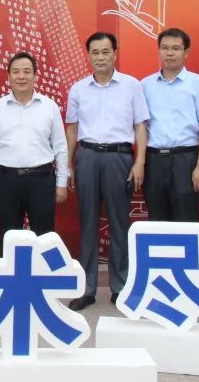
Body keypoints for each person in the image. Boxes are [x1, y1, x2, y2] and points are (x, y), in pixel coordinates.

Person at [65, 32, 149, 311]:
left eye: (105, 52)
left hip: (119, 157)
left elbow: (140, 126)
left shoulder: (131, 86)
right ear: (88, 55)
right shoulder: (78, 89)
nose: (100, 57)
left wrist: (139, 161)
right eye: (95, 52)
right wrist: (68, 164)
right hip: (87, 156)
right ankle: (87, 289)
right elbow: (72, 129)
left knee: (119, 223)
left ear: (115, 53)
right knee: (88, 222)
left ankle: (120, 286)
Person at [0, 51, 69, 245]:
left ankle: (43, 267)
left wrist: (62, 182)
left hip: (41, 179)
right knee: (9, 237)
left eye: (27, 72)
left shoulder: (49, 106)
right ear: (8, 76)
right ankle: (10, 267)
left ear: (36, 76)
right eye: (16, 72)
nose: (21, 76)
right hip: (7, 180)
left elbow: (60, 147)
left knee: (45, 238)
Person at [140, 28, 199, 222]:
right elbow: (140, 127)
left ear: (186, 52)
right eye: (165, 48)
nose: (169, 53)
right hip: (153, 161)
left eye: (175, 48)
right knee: (157, 220)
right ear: (158, 51)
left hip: (185, 160)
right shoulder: (145, 85)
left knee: (186, 220)